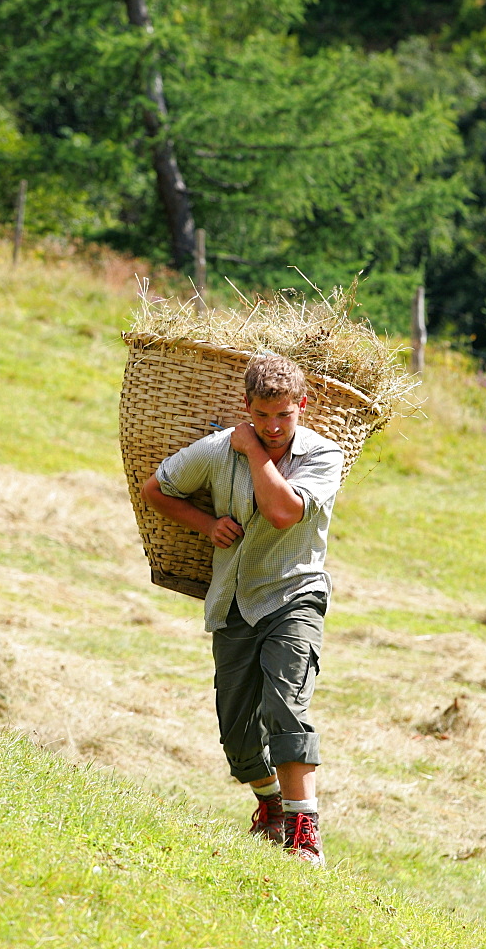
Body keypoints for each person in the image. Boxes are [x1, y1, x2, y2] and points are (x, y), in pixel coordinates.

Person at [141, 354, 344, 866]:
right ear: (246, 407)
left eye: (284, 415)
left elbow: (281, 512)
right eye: (262, 417)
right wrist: (204, 524)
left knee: (287, 708)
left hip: (295, 597)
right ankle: (270, 807)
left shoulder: (324, 456)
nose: (273, 427)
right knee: (236, 736)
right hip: (232, 601)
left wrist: (255, 453)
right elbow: (155, 491)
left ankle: (305, 834)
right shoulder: (215, 450)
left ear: (302, 406)